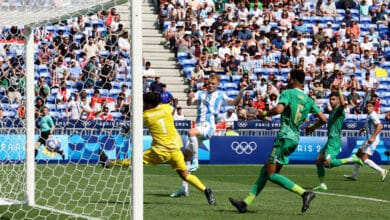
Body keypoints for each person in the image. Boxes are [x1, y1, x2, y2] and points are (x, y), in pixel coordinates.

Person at [229, 69, 328, 214]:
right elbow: (324, 119)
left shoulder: (288, 93)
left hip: (284, 137)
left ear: (294, 80)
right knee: (266, 171)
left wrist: (264, 113)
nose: (288, 81)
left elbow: (279, 110)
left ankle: (304, 193)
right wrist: (312, 128)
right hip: (294, 139)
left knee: (271, 174)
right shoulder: (308, 99)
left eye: (289, 78)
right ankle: (245, 203)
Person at [99, 92, 216, 205]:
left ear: (149, 104)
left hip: (160, 151)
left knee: (133, 160)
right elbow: (171, 108)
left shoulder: (146, 116)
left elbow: (132, 127)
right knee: (185, 174)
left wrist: (125, 130)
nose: (143, 104)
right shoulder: (167, 108)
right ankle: (206, 190)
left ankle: (108, 163)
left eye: (145, 103)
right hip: (175, 149)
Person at [171, 71, 247, 197]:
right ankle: (184, 189)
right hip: (199, 126)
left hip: (209, 126)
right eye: (209, 83)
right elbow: (190, 103)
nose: (210, 85)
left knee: (191, 132)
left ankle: (196, 160)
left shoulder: (220, 95)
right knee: (184, 159)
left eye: (213, 83)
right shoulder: (200, 93)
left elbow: (234, 103)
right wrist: (190, 97)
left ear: (217, 85)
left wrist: (241, 92)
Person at [309, 88, 364, 191]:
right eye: (330, 99)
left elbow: (343, 105)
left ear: (339, 100)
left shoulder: (339, 109)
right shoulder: (333, 111)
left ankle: (353, 159)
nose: (331, 101)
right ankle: (322, 184)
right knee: (318, 161)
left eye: (334, 99)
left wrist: (340, 91)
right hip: (330, 140)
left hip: (334, 140)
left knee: (328, 163)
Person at [344, 100, 388, 182]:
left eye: (370, 106)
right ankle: (354, 175)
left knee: (364, 159)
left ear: (374, 107)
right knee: (357, 155)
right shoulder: (369, 115)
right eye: (367, 106)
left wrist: (373, 137)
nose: (368, 108)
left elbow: (380, 126)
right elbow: (371, 126)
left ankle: (382, 171)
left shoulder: (373, 115)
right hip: (368, 139)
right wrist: (363, 129)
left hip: (372, 140)